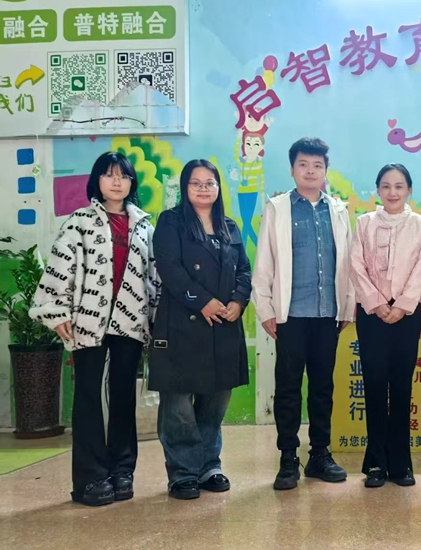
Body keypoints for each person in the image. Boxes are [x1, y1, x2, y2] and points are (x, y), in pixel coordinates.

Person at [29, 152, 159, 507]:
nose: (117, 181)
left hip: (130, 321)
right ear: (97, 180)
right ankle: (89, 478)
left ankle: (122, 470)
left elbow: (153, 278)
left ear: (132, 183)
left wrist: (156, 318)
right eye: (109, 174)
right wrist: (56, 312)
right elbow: (59, 269)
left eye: (124, 176)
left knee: (123, 396)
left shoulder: (144, 226)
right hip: (86, 321)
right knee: (88, 395)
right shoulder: (79, 222)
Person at [252, 137, 356, 490]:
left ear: (326, 170)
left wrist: (348, 306)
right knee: (288, 389)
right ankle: (287, 458)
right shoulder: (278, 208)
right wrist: (266, 309)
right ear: (292, 169)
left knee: (323, 388)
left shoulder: (337, 210)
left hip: (328, 314)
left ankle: (320, 455)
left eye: (317, 165)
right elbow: (264, 263)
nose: (310, 171)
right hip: (291, 315)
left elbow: (347, 262)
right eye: (303, 165)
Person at [149, 159, 252, 500]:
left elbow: (244, 269)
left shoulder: (229, 226)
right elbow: (170, 269)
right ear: (185, 187)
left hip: (224, 324)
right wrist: (202, 302)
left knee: (215, 399)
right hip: (182, 324)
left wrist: (239, 300)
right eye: (196, 183)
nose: (204, 189)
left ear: (219, 188)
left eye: (210, 183)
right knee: (178, 403)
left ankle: (209, 466)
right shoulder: (171, 221)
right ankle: (182, 472)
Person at [350, 164, 421, 488]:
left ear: (409, 190)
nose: (392, 192)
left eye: (399, 186)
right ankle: (375, 464)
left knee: (401, 388)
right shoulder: (364, 223)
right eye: (386, 186)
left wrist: (402, 305)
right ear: (378, 190)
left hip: (406, 316)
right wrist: (377, 303)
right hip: (371, 315)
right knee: (373, 386)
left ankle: (401, 465)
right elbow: (356, 266)